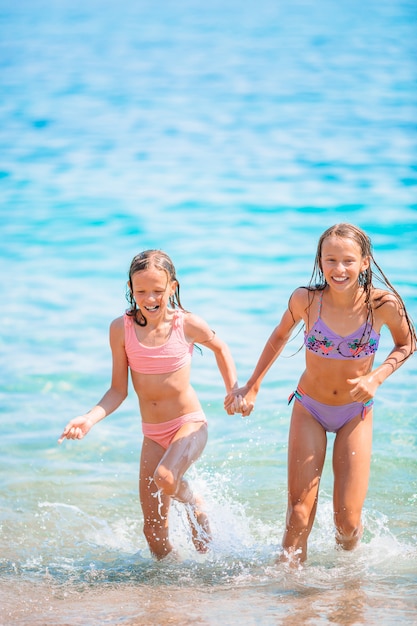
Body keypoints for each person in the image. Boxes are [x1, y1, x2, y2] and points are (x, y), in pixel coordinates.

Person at [225, 223, 416, 564]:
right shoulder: (306, 300)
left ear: (365, 262)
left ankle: (348, 579)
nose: (338, 269)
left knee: (347, 522)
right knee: (298, 514)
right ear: (320, 261)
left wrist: (377, 377)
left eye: (347, 260)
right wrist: (252, 385)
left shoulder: (383, 304)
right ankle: (289, 593)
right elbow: (279, 336)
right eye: (330, 260)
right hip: (309, 408)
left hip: (354, 413)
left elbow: (408, 343)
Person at [59, 250, 239, 560]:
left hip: (190, 424)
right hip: (153, 434)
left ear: (173, 287)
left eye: (158, 290)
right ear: (130, 288)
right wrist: (89, 419)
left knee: (167, 478)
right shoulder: (121, 329)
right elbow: (118, 390)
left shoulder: (187, 324)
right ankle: (172, 589)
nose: (150, 298)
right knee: (154, 535)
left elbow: (221, 348)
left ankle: (193, 499)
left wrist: (234, 391)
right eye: (141, 291)